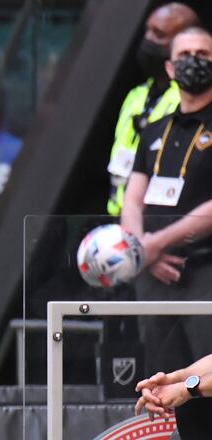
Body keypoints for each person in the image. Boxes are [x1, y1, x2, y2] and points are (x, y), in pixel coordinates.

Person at [121, 26, 212, 437]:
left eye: (204, 53)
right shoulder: (154, 130)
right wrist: (142, 252)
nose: (195, 60)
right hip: (155, 278)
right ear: (170, 67)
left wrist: (156, 244)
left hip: (204, 272)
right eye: (186, 53)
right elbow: (132, 199)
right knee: (173, 380)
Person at [106, 3, 198, 216]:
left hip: (164, 219)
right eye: (147, 30)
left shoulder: (188, 100)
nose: (148, 40)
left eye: (158, 34)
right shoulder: (137, 95)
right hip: (121, 214)